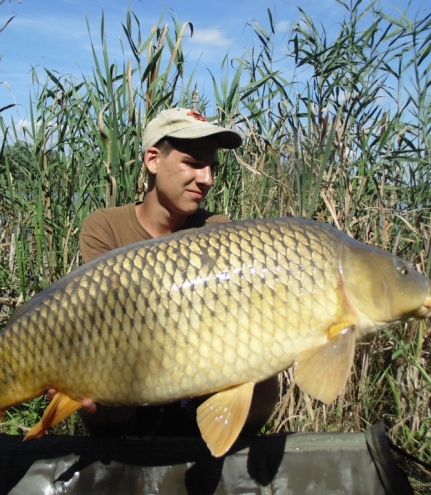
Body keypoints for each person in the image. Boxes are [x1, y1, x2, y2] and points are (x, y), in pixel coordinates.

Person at [75, 107, 280, 437]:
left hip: (198, 388)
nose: (208, 180)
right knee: (100, 393)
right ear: (153, 159)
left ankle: (212, 451)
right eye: (194, 164)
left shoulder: (218, 229)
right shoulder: (105, 227)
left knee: (265, 378)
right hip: (129, 376)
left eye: (211, 167)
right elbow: (107, 322)